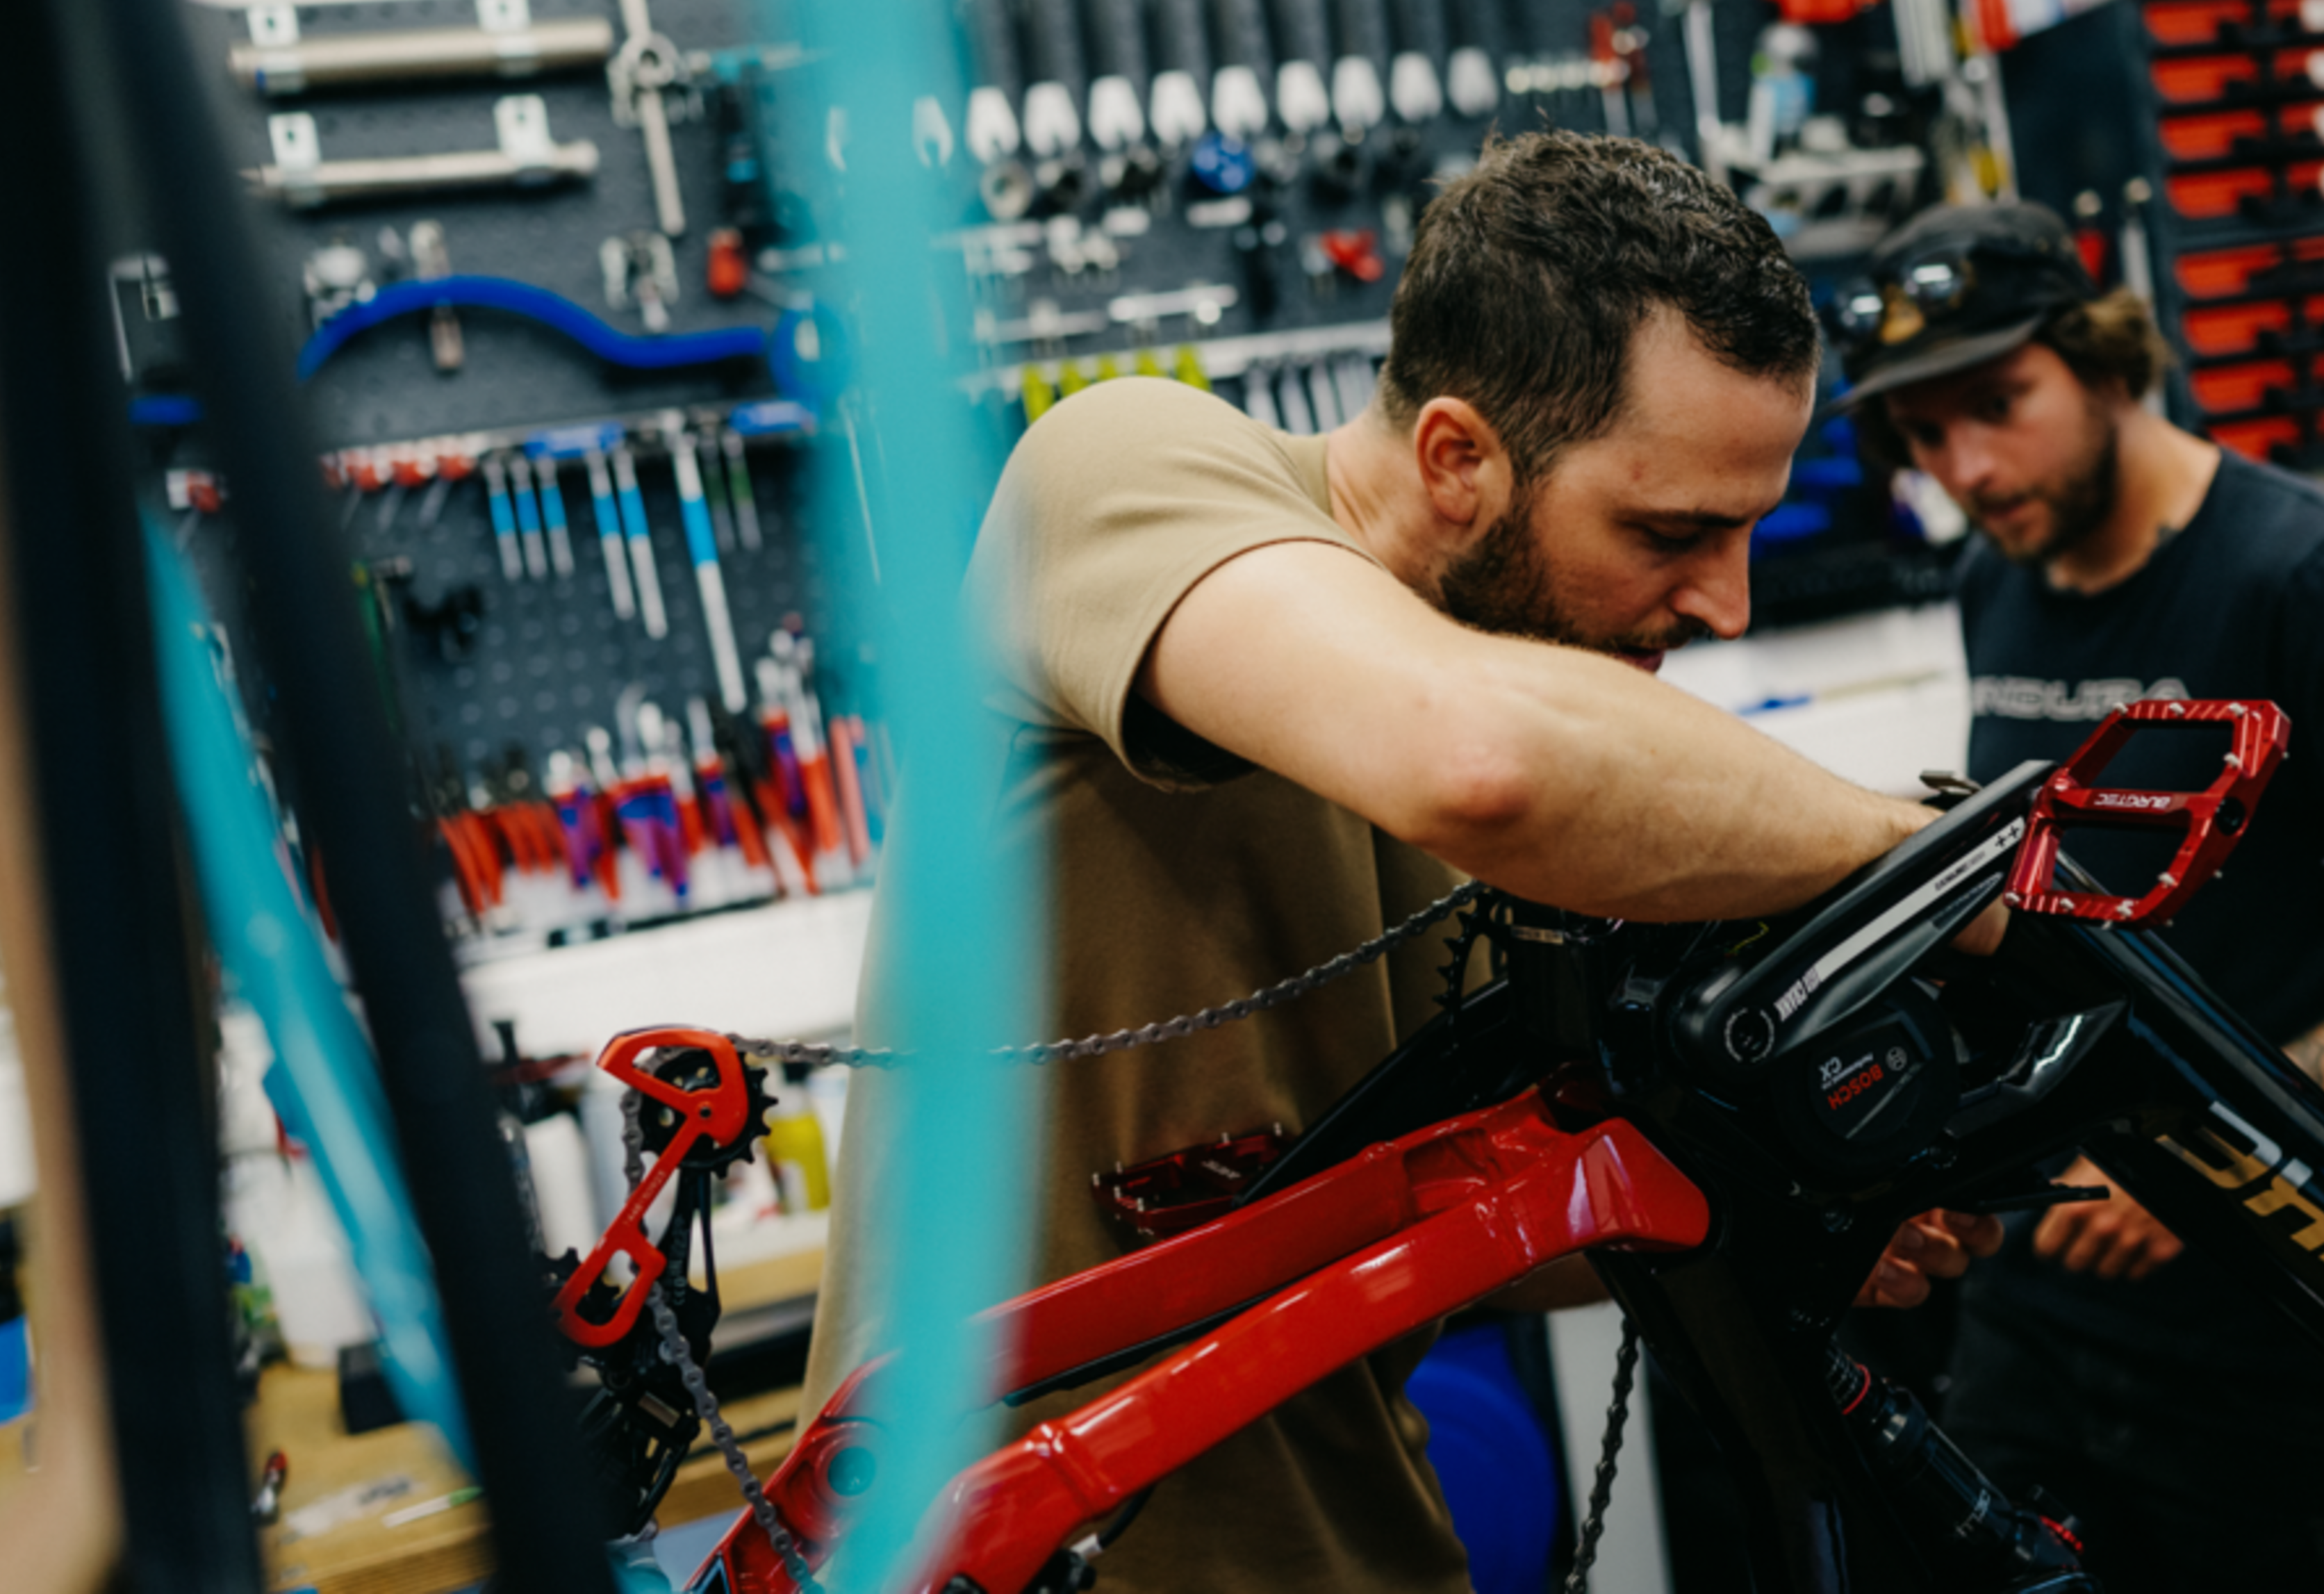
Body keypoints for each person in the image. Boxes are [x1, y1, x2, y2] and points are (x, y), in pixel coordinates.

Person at [803, 131, 2004, 1594]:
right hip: (997, 1556)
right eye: (1671, 530)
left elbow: (1466, 1224)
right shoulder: (1130, 464)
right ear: (1456, 457)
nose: (1731, 603)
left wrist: (1769, 1203)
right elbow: (1473, 759)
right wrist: (1930, 856)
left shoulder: (1546, 730)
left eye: (1745, 530)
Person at [1840, 201, 2324, 1593]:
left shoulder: (2320, 584)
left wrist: (2215, 1149)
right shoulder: (1997, 577)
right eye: (1929, 436)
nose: (1971, 466)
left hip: (2298, 1341)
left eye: (2000, 403)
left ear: (2110, 361)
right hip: (2044, 1315)